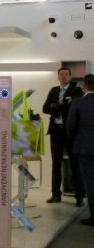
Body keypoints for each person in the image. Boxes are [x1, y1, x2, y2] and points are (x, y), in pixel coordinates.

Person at [43, 67, 85, 206]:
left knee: (74, 163)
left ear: (70, 76)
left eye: (66, 74)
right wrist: (62, 106)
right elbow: (45, 108)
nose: (64, 76)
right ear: (58, 76)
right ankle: (56, 194)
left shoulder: (76, 90)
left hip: (70, 132)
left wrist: (56, 107)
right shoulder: (54, 90)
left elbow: (74, 108)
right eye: (61, 74)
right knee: (56, 163)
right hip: (55, 131)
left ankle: (79, 196)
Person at [67, 74, 94, 226]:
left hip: (85, 148)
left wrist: (76, 139)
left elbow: (70, 126)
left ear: (84, 87)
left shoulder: (78, 102)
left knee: (90, 183)